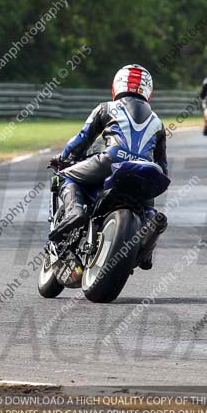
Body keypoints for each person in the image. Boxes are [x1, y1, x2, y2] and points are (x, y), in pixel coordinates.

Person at [48, 64, 168, 269]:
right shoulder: (158, 122)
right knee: (148, 208)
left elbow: (82, 139)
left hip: (111, 160)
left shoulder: (106, 107)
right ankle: (149, 237)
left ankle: (75, 211)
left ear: (117, 84)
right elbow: (162, 165)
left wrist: (64, 157)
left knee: (65, 177)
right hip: (148, 171)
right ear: (148, 90)